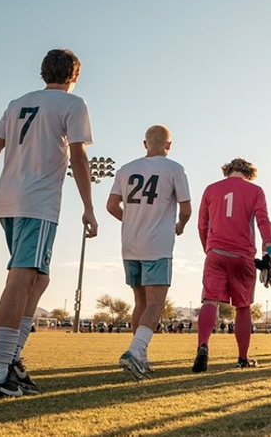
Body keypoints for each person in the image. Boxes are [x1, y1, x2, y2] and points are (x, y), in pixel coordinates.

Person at [0, 49, 96, 398]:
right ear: (74, 75)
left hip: (7, 198)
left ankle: (12, 361)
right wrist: (88, 206)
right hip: (38, 200)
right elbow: (78, 156)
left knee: (39, 277)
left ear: (42, 72)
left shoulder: (18, 102)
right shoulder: (73, 103)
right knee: (21, 279)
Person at [107, 124, 191, 380]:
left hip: (130, 244)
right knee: (156, 303)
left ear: (144, 144)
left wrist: (132, 221)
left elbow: (111, 206)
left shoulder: (126, 169)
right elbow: (186, 209)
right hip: (157, 244)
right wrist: (180, 226)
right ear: (169, 145)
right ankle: (135, 350)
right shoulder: (175, 168)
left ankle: (141, 357)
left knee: (140, 302)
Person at [194, 158, 271, 372]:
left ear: (227, 171)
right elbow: (263, 221)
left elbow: (202, 224)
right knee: (243, 306)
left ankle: (203, 346)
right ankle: (242, 357)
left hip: (216, 252)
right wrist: (270, 250)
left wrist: (208, 249)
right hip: (243, 255)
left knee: (210, 301)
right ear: (249, 174)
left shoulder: (211, 189)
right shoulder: (256, 190)